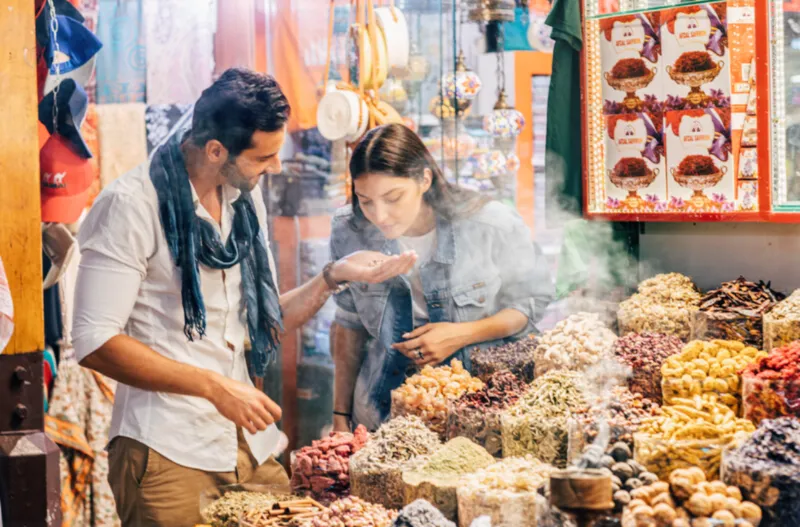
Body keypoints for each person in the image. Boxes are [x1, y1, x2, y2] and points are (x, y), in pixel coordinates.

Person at [72, 69, 416, 527]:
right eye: (265, 156)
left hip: (249, 447)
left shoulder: (242, 199)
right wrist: (215, 387)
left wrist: (333, 277)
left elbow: (262, 322)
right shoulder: (129, 207)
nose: (275, 167)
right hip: (167, 453)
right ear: (216, 150)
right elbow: (93, 341)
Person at [330, 123, 554, 432]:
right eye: (365, 201)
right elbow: (348, 326)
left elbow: (529, 304)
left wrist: (463, 334)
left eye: (393, 197)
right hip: (380, 413)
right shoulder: (349, 230)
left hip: (480, 409)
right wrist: (340, 415)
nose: (379, 215)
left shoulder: (489, 224)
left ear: (424, 178)